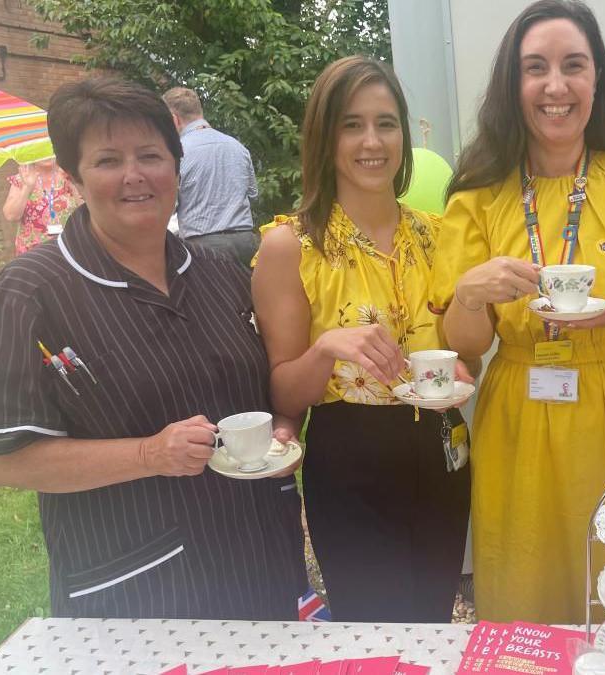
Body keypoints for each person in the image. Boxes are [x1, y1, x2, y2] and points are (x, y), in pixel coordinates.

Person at [0, 77, 307, 619]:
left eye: (151, 155)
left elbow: (260, 394)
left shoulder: (221, 274)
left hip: (256, 558)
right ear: (74, 177)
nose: (134, 175)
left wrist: (281, 429)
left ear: (175, 168)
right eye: (107, 160)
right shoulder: (33, 290)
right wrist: (148, 454)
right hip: (137, 588)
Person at [430, 0, 605, 623]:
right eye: (536, 68)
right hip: (521, 410)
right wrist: (471, 294)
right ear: (514, 84)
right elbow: (466, 345)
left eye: (573, 66)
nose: (556, 86)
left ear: (596, 80)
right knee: (526, 575)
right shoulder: (478, 197)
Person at [252, 56, 471, 622]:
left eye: (386, 122)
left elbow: (462, 353)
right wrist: (327, 348)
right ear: (324, 138)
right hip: (351, 457)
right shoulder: (291, 246)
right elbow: (283, 394)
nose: (372, 141)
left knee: (432, 622)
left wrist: (463, 367)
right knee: (371, 630)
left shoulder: (438, 236)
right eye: (351, 124)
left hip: (444, 445)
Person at [162, 87, 260, 267]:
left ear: (173, 119)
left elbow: (170, 205)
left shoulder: (178, 153)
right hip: (246, 242)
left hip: (203, 248)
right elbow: (253, 193)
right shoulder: (237, 147)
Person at [1, 156, 83, 255]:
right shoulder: (22, 179)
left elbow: (88, 211)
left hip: (70, 248)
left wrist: (73, 183)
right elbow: (11, 215)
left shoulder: (68, 176)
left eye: (50, 148)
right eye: (42, 149)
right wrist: (27, 188)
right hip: (34, 253)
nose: (47, 154)